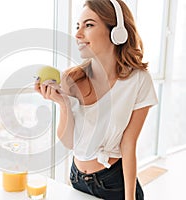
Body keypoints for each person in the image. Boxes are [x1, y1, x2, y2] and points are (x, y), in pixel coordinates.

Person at [34, 0, 158, 199]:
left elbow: (129, 143)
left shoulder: (139, 80)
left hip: (114, 182)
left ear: (117, 31)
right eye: (78, 26)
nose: (78, 34)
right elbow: (69, 142)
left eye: (89, 25)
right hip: (77, 178)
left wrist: (130, 197)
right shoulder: (71, 78)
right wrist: (63, 104)